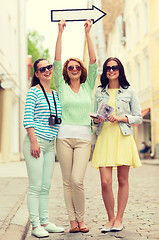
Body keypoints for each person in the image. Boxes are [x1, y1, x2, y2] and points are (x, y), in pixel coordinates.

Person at [53, 19, 97, 233]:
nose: (74, 69)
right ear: (66, 71)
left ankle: (82, 219)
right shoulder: (61, 87)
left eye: (77, 66)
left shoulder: (89, 86)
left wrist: (88, 32)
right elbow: (56, 60)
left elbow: (95, 60)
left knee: (77, 180)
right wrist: (60, 32)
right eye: (70, 67)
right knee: (66, 181)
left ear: (81, 69)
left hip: (83, 138)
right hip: (63, 137)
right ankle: (73, 222)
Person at [91, 57, 142, 233]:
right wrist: (97, 119)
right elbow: (95, 121)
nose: (111, 70)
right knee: (105, 182)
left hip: (122, 136)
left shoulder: (129, 91)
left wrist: (121, 118)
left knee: (122, 180)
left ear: (120, 69)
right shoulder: (99, 92)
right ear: (104, 72)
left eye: (114, 67)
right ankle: (110, 219)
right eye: (107, 68)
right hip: (104, 137)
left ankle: (119, 219)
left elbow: (138, 117)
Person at [23, 59, 65, 238]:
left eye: (49, 67)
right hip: (36, 142)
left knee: (46, 186)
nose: (47, 70)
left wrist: (53, 145)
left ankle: (45, 222)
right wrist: (34, 141)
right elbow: (28, 119)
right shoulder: (34, 92)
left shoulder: (55, 94)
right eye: (43, 69)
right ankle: (35, 225)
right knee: (35, 186)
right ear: (37, 74)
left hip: (49, 144)